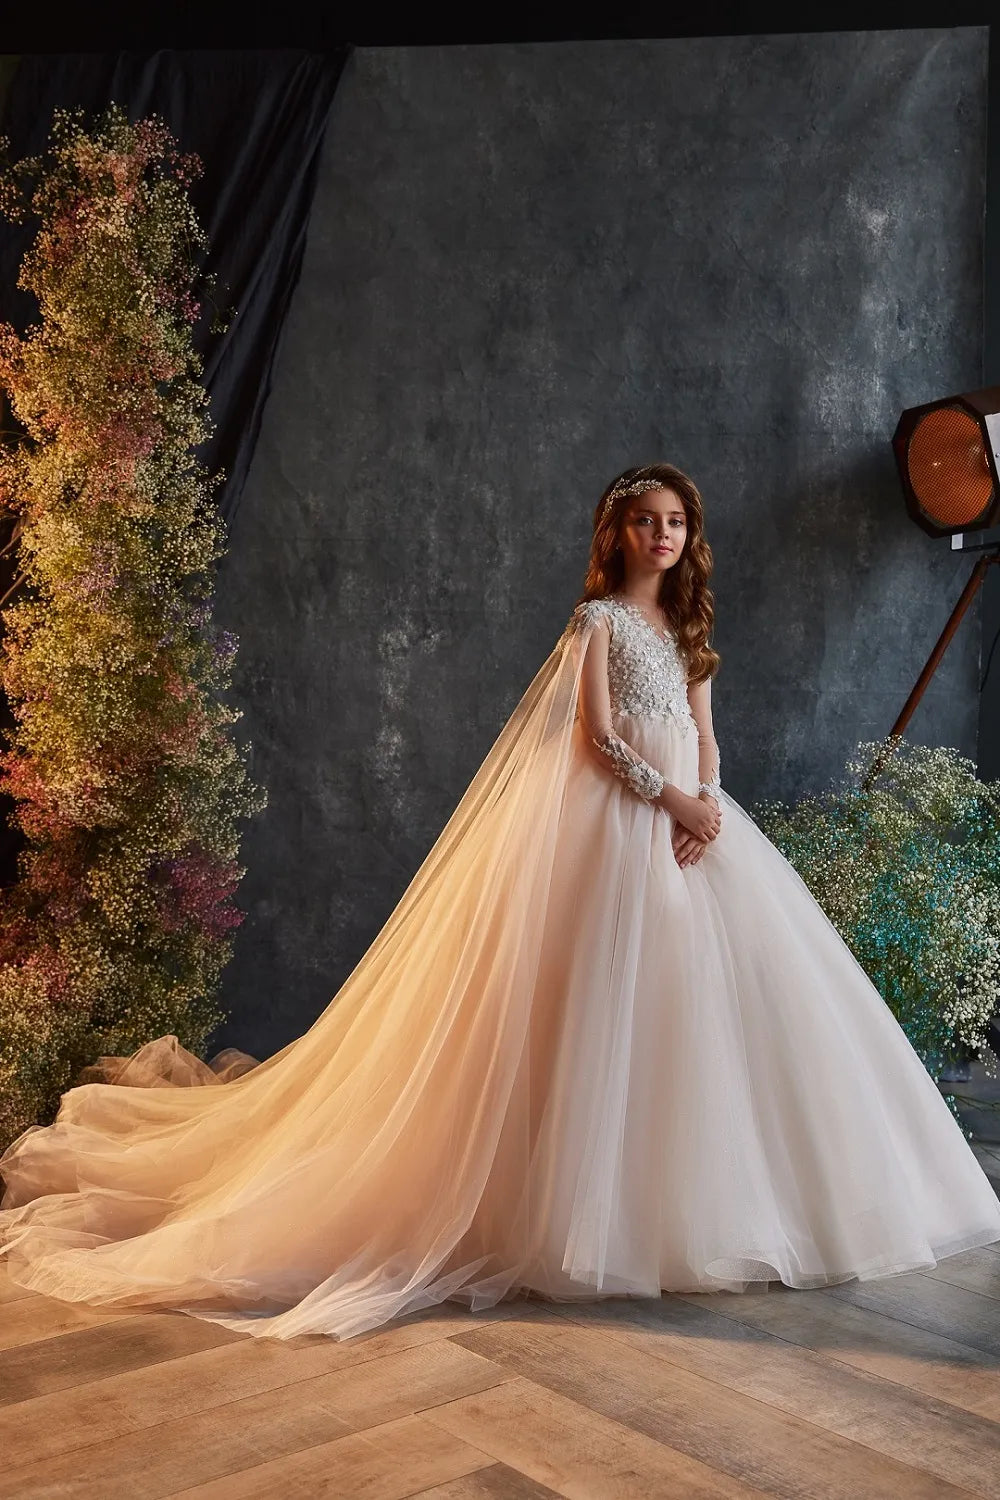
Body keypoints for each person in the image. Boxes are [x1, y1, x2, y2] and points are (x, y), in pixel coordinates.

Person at [2, 462, 999, 1345]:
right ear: (617, 534)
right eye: (645, 521)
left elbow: (706, 730)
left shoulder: (687, 627)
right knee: (591, 1023)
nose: (662, 536)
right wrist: (674, 801)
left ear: (690, 538)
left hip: (694, 831)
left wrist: (708, 808)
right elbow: (596, 744)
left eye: (676, 524)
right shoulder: (597, 622)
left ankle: (697, 1211)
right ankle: (580, 1219)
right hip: (614, 833)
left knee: (689, 1029)